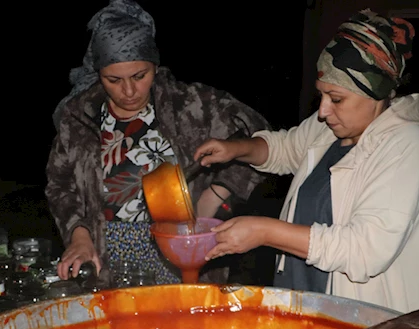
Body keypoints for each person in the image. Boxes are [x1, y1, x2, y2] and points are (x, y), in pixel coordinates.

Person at [196, 9, 419, 314]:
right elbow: (285, 148)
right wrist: (236, 148)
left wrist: (265, 232)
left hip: (366, 324)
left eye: (336, 99)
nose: (323, 110)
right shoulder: (331, 129)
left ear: (375, 94)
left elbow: (364, 249)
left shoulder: (406, 147)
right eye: (322, 95)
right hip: (305, 304)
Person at [46, 0, 270, 285]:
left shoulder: (189, 106)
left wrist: (219, 190)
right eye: (114, 80)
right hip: (107, 262)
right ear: (98, 74)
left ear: (155, 65)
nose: (129, 91)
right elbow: (60, 183)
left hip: (182, 260)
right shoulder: (80, 118)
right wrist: (79, 236)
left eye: (140, 76)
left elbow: (261, 137)